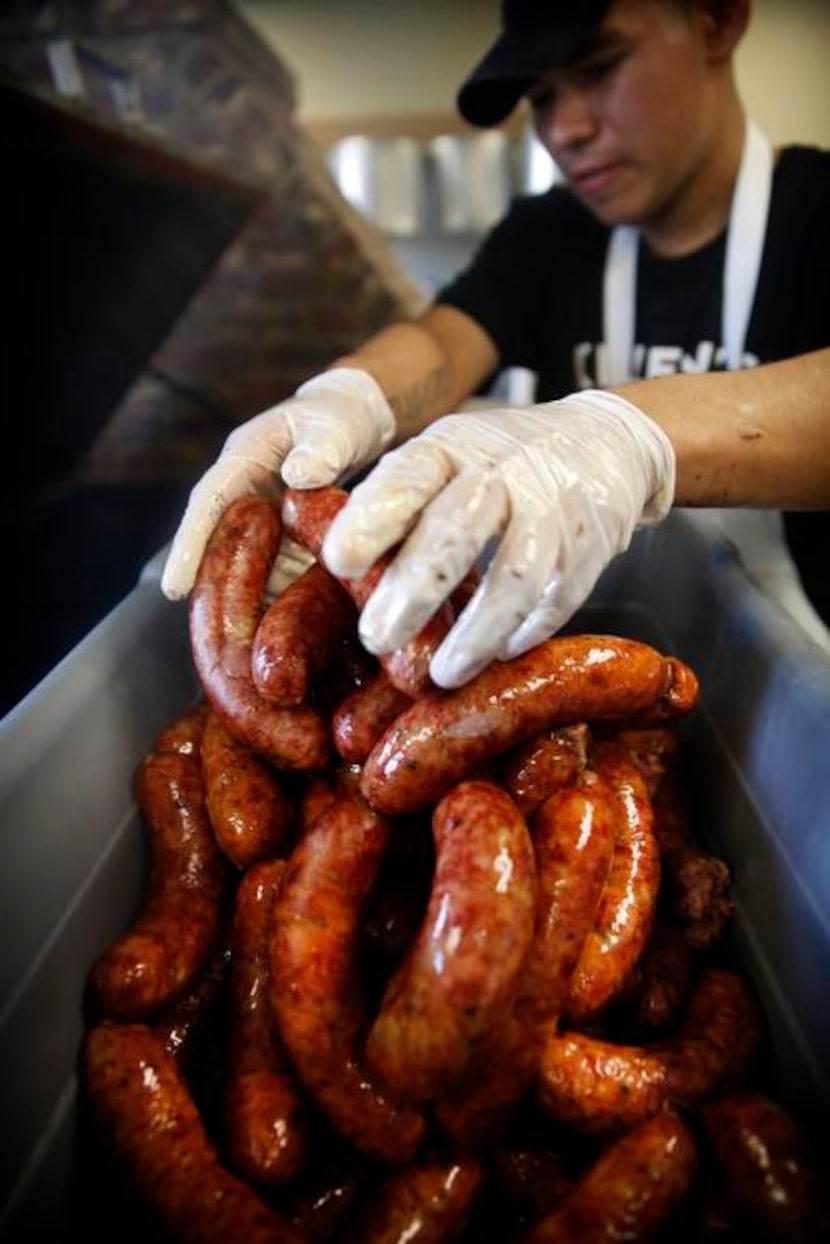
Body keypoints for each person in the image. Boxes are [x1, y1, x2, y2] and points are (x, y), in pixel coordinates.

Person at [161, 0, 830, 687]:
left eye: (601, 68)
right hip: (589, 633)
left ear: (717, 21)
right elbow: (443, 346)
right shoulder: (548, 236)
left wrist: (628, 438)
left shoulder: (816, 211)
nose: (565, 129)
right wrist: (349, 396)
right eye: (541, 98)